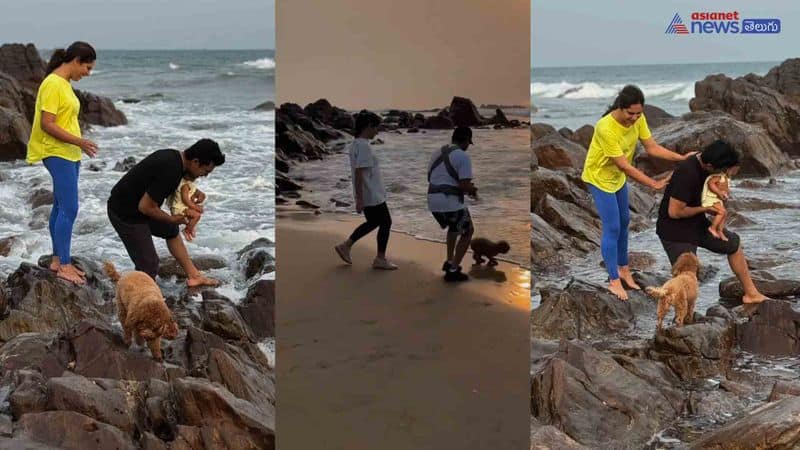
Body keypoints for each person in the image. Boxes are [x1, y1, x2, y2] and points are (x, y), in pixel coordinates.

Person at [582, 85, 694, 300]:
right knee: (612, 227)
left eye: (638, 113)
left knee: (624, 222)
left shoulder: (638, 119)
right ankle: (614, 280)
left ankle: (624, 269)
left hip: (616, 179)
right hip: (598, 179)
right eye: (630, 113)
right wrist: (653, 184)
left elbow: (652, 147)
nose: (634, 118)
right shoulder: (605, 127)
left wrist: (681, 158)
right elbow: (625, 165)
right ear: (620, 108)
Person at [657, 140, 767, 304]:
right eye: (722, 170)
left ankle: (751, 293)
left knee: (733, 244)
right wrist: (705, 209)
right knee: (688, 277)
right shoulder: (688, 173)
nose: (723, 173)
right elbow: (674, 212)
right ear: (709, 165)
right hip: (675, 231)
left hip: (696, 223)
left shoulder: (703, 158)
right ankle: (684, 319)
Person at [26, 41, 99, 284]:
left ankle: (58, 259)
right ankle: (65, 265)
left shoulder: (64, 83)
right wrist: (80, 141)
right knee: (70, 208)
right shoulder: (53, 83)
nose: (87, 73)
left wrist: (78, 145)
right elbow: (48, 123)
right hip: (56, 152)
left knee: (60, 207)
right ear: (76, 60)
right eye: (87, 68)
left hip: (69, 153)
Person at [107, 139, 224, 287]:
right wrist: (171, 219)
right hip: (125, 213)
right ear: (195, 161)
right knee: (149, 265)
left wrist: (196, 192)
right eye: (205, 171)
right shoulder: (170, 170)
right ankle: (138, 300)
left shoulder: (174, 158)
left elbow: (177, 184)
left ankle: (194, 276)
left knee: (171, 231)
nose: (204, 175)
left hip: (138, 207)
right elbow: (146, 207)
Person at [335, 111, 398, 270]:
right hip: (371, 193)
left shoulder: (356, 144)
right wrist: (360, 200)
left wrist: (358, 196)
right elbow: (358, 173)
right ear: (369, 126)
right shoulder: (364, 146)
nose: (377, 131)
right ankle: (380, 258)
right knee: (386, 222)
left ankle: (346, 246)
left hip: (367, 192)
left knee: (374, 222)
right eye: (376, 127)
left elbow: (358, 173)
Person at [427, 126, 478, 282]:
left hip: (432, 200)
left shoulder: (437, 152)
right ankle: (454, 269)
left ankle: (449, 261)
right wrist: (473, 190)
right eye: (469, 142)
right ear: (466, 141)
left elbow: (431, 177)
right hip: (449, 201)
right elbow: (464, 185)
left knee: (454, 227)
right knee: (468, 231)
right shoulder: (462, 156)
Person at [702, 165, 738, 241]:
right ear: (727, 169)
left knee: (725, 213)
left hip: (717, 199)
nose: (735, 172)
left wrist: (726, 194)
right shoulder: (719, 176)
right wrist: (719, 193)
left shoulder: (726, 178)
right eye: (733, 170)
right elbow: (710, 183)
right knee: (722, 212)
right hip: (711, 198)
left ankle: (720, 231)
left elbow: (725, 188)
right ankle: (712, 228)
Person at [168, 175, 206, 241]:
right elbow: (186, 200)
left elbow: (192, 193)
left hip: (183, 206)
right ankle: (187, 230)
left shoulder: (188, 183)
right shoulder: (185, 186)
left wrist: (197, 200)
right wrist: (196, 207)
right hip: (179, 208)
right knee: (197, 215)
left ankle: (190, 226)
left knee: (197, 211)